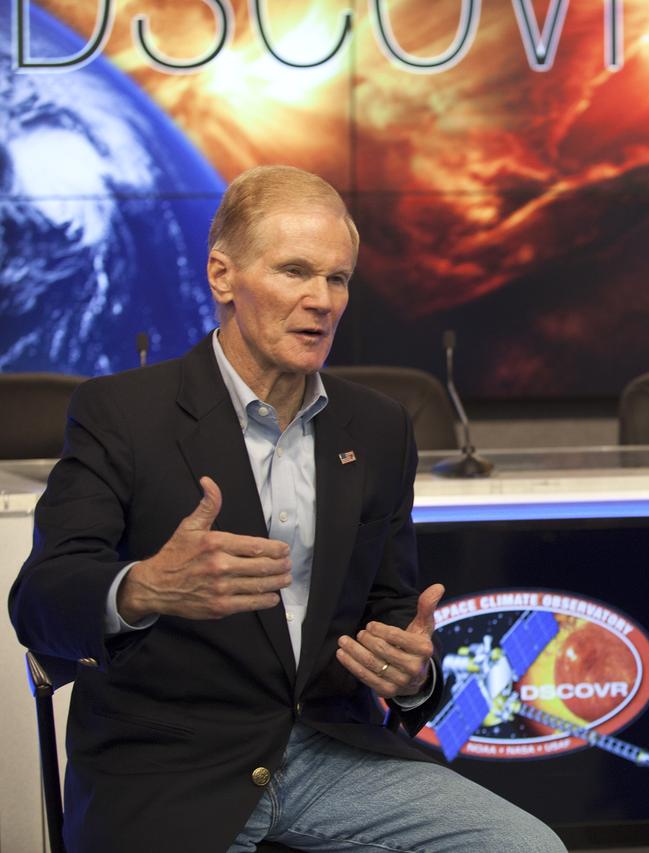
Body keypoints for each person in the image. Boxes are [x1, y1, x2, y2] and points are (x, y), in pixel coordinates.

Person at [9, 166, 567, 853]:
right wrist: (146, 586)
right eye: (295, 271)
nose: (321, 300)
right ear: (222, 276)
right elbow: (39, 602)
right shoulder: (121, 413)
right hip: (171, 765)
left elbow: (391, 613)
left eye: (337, 279)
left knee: (526, 845)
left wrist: (415, 675)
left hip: (333, 750)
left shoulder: (380, 427)